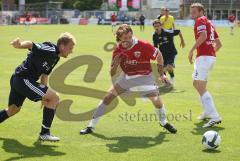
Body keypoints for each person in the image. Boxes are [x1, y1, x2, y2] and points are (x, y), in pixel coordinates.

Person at [80, 24, 177, 135]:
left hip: (145, 77)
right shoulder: (117, 50)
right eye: (125, 38)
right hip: (127, 77)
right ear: (119, 38)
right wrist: (115, 65)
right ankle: (90, 126)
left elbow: (158, 54)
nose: (129, 40)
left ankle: (163, 122)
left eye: (130, 37)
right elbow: (112, 73)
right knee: (107, 98)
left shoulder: (143, 45)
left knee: (157, 102)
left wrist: (162, 74)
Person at [0, 32, 76, 141]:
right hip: (23, 79)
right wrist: (20, 45)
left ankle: (44, 133)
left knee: (13, 110)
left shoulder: (56, 57)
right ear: (62, 46)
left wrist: (44, 96)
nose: (71, 51)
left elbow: (45, 75)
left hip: (19, 79)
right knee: (55, 97)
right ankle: (45, 133)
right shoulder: (50, 49)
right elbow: (32, 44)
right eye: (70, 48)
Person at [188, 3, 222, 128]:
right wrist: (211, 54)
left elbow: (203, 36)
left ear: (201, 11)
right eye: (191, 12)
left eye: (194, 12)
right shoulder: (210, 23)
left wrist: (191, 50)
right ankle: (207, 111)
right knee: (196, 84)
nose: (192, 15)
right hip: (208, 57)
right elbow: (219, 44)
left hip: (204, 58)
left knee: (200, 87)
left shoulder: (200, 20)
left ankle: (214, 116)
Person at [152, 19, 185, 86]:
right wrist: (155, 55)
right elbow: (155, 47)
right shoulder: (154, 35)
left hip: (171, 53)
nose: (157, 28)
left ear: (161, 26)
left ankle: (171, 79)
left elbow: (178, 31)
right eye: (155, 26)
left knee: (168, 67)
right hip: (162, 55)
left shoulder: (167, 32)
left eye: (158, 26)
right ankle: (167, 83)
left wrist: (182, 41)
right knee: (163, 70)